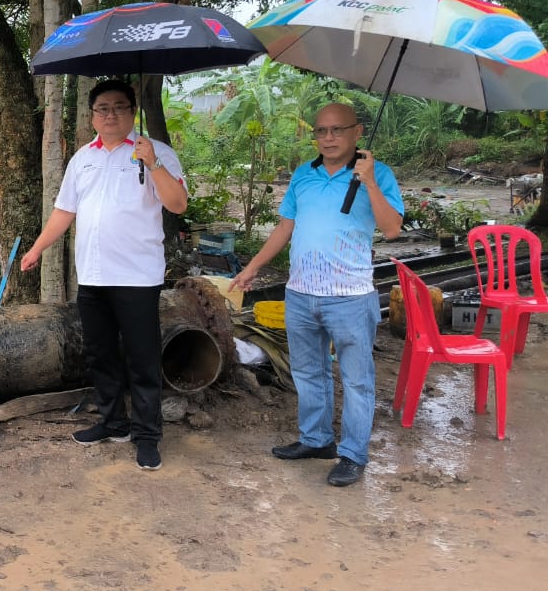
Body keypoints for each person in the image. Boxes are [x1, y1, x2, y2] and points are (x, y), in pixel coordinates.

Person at [229, 102, 404, 487]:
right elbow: (284, 227)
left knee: (357, 379)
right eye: (321, 131)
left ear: (357, 132)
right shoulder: (303, 175)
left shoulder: (378, 174)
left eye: (337, 130)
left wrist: (370, 181)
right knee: (309, 372)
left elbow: (392, 228)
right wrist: (252, 267)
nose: (328, 138)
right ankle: (316, 440)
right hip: (301, 294)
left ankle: (354, 454)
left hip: (351, 297)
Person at [20, 79, 187, 471]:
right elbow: (65, 211)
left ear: (133, 111)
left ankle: (147, 435)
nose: (110, 115)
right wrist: (37, 248)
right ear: (93, 115)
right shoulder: (83, 158)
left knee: (142, 358)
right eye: (102, 108)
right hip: (93, 276)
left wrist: (153, 163)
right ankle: (114, 422)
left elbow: (177, 203)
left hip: (138, 276)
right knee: (100, 354)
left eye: (119, 107)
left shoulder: (155, 152)